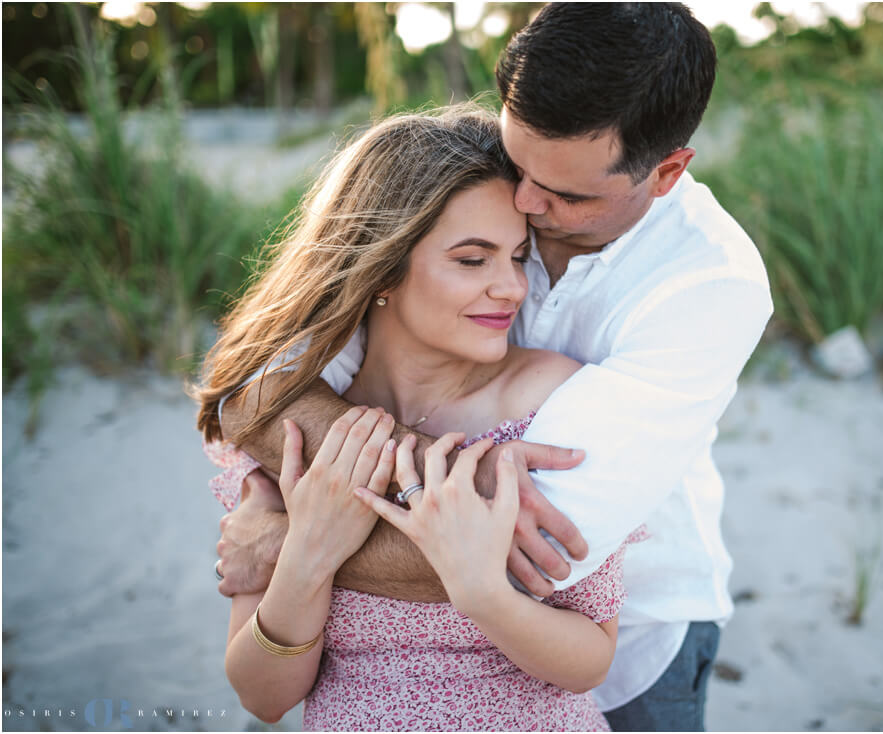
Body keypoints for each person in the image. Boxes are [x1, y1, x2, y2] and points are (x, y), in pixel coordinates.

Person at [214, 3, 773, 730]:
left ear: (665, 172)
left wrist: (296, 535)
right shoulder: (470, 190)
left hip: (633, 636)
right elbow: (259, 389)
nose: (525, 200)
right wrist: (459, 477)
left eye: (567, 194)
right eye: (518, 162)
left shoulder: (709, 285)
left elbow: (530, 553)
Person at [195, 107, 640, 730]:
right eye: (471, 259)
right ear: (381, 268)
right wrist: (304, 556)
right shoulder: (299, 428)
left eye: (517, 257)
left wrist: (480, 590)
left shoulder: (554, 406)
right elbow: (263, 699)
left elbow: (590, 659)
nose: (511, 287)